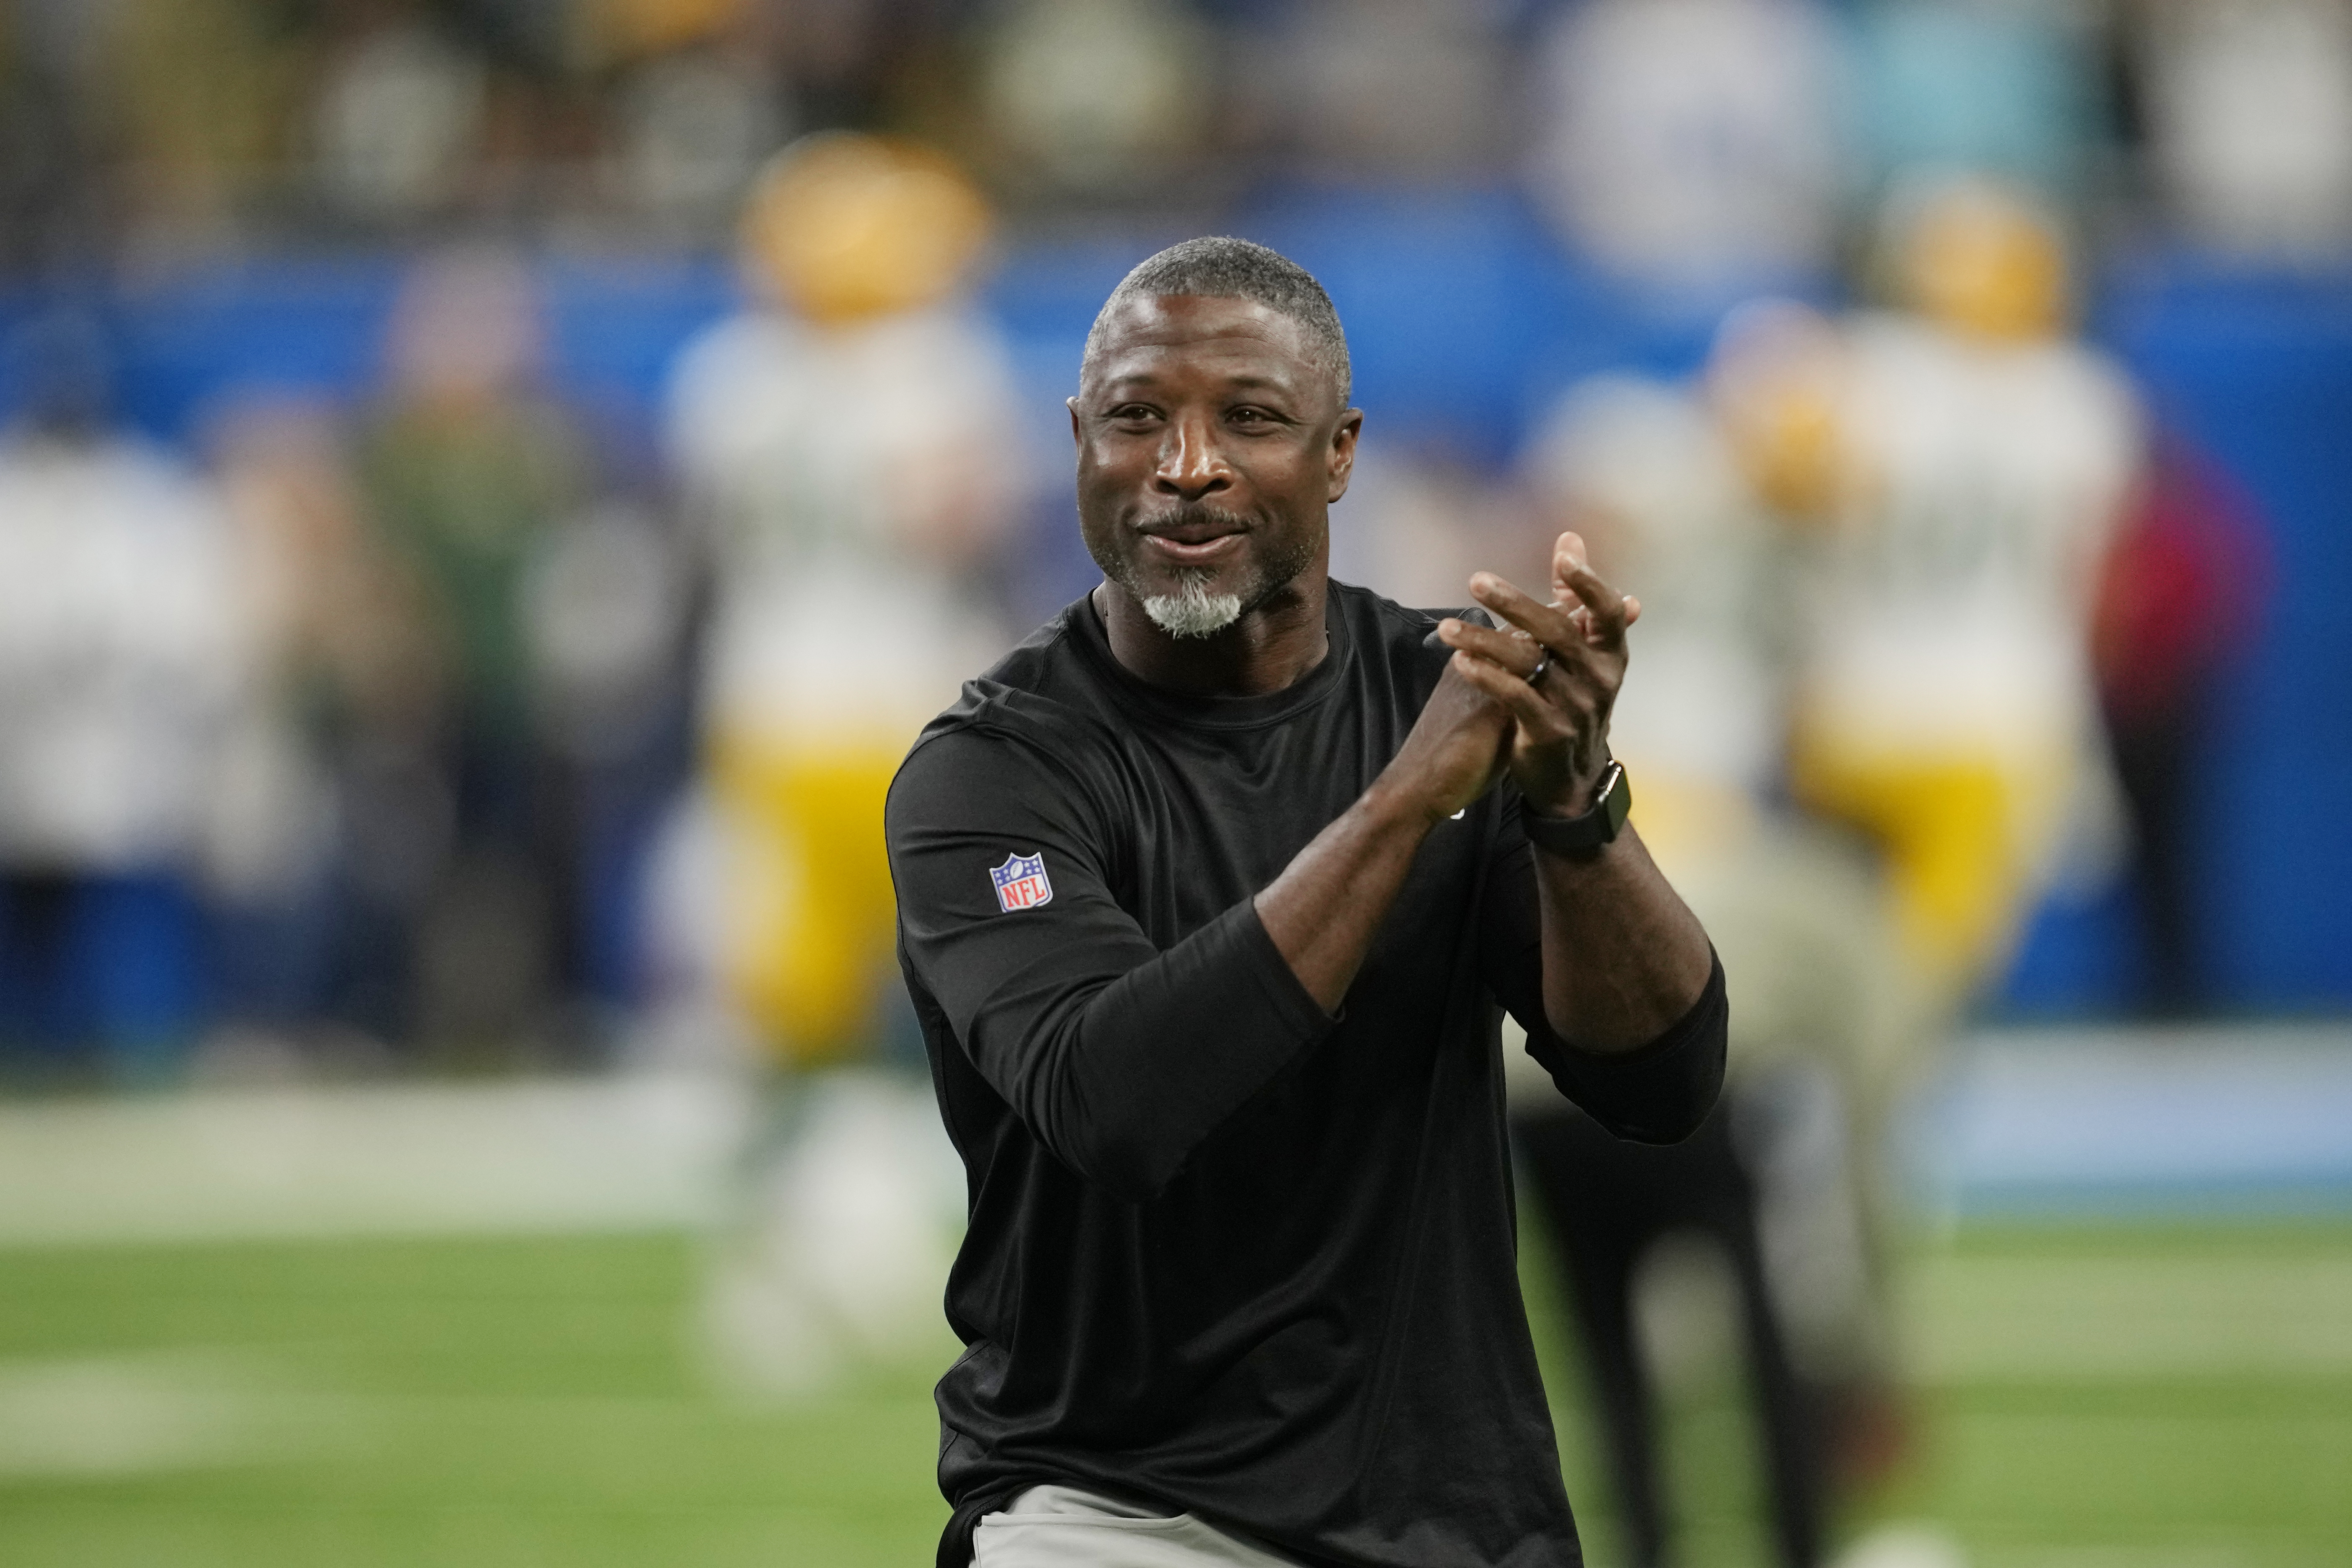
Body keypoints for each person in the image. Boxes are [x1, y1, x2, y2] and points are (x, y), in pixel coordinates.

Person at [885, 237, 1727, 1568]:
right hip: (1116, 1515)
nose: (1188, 465)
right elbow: (1118, 1103)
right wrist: (1406, 803)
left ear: (1340, 454)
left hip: (1461, 1519)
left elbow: (1663, 1081)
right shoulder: (992, 773)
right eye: (1138, 418)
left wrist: (1577, 809)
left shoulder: (1443, 692)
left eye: (1251, 419)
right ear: (1077, 440)